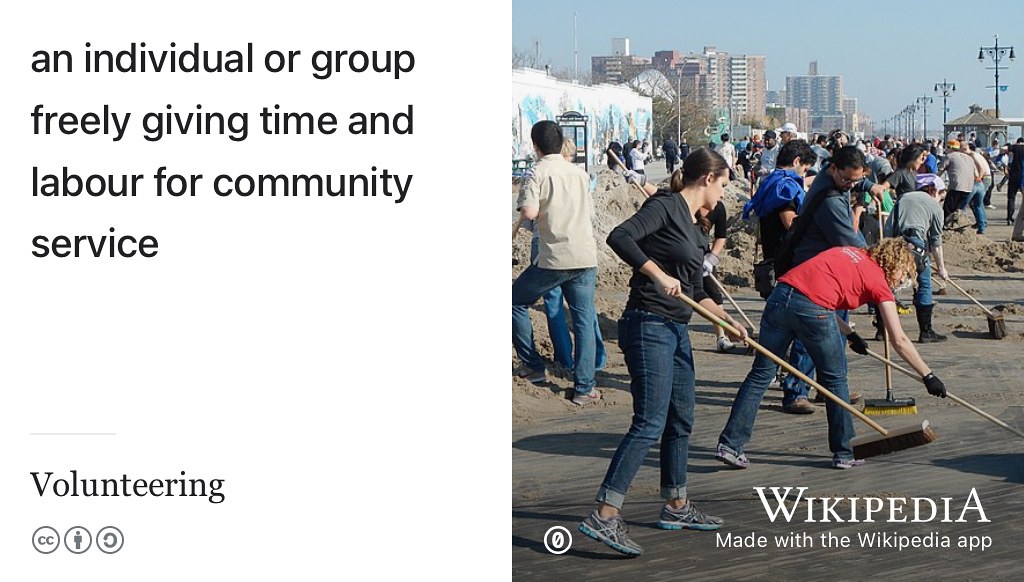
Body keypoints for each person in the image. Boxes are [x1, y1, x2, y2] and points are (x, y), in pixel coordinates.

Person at [579, 148, 747, 557]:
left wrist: (724, 320)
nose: (723, 194)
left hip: (676, 328)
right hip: (647, 323)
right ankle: (604, 513)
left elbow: (694, 291)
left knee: (681, 416)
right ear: (707, 179)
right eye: (723, 185)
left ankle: (676, 504)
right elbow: (619, 236)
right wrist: (656, 274)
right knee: (650, 421)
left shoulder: (694, 227)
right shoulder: (666, 206)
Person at [716, 239, 949, 470]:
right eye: (906, 274)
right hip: (812, 310)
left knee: (760, 374)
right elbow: (899, 339)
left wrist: (849, 333)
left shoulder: (849, 252)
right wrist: (927, 375)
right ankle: (844, 451)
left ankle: (730, 445)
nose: (903, 281)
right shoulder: (879, 282)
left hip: (780, 297)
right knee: (835, 380)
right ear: (897, 264)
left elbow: (812, 292)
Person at [513, 120, 600, 405]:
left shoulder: (535, 173)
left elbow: (529, 211)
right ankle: (585, 387)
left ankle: (534, 366)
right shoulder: (579, 173)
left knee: (514, 301)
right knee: (584, 319)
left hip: (554, 257)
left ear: (534, 145)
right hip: (585, 255)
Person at [742, 139, 818, 412]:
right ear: (797, 162)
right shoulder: (786, 186)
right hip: (790, 266)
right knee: (803, 330)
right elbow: (790, 223)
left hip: (775, 263)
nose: (804, 175)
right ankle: (796, 389)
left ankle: (821, 386)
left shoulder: (770, 182)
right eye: (805, 169)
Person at [524, 138, 609, 370]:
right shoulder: (580, 177)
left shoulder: (540, 173)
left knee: (553, 306)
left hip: (547, 248)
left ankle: (564, 358)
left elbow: (530, 217)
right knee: (584, 312)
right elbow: (589, 216)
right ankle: (594, 363)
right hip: (580, 249)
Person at [889, 173, 949, 342]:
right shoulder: (935, 207)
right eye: (941, 194)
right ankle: (926, 331)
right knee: (923, 284)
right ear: (933, 190)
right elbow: (936, 242)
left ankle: (882, 330)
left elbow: (889, 227)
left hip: (895, 242)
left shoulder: (903, 198)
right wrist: (942, 268)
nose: (941, 199)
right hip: (916, 243)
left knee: (888, 284)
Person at [698, 200, 733, 351]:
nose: (722, 193)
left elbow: (721, 236)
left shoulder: (718, 207)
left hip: (703, 257)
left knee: (714, 295)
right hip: (681, 255)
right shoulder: (684, 201)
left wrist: (711, 258)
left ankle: (721, 336)